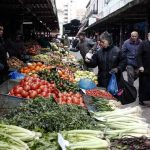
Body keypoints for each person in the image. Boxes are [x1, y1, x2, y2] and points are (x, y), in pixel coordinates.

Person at [137, 32, 150, 105]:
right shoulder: (143, 44)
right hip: (144, 69)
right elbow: (138, 55)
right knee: (143, 84)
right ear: (148, 36)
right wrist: (140, 66)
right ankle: (141, 99)